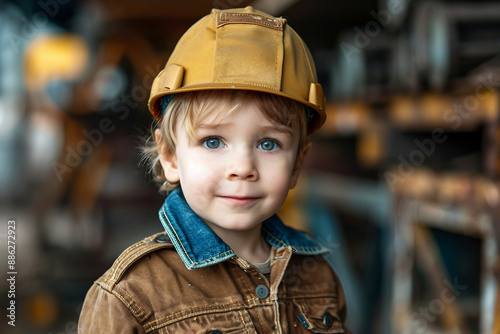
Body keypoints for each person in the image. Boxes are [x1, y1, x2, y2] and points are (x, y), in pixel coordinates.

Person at [79, 6, 350, 333]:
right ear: (171, 157)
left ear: (297, 164)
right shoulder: (131, 297)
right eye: (212, 142)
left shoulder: (317, 275)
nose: (242, 168)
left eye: (268, 144)